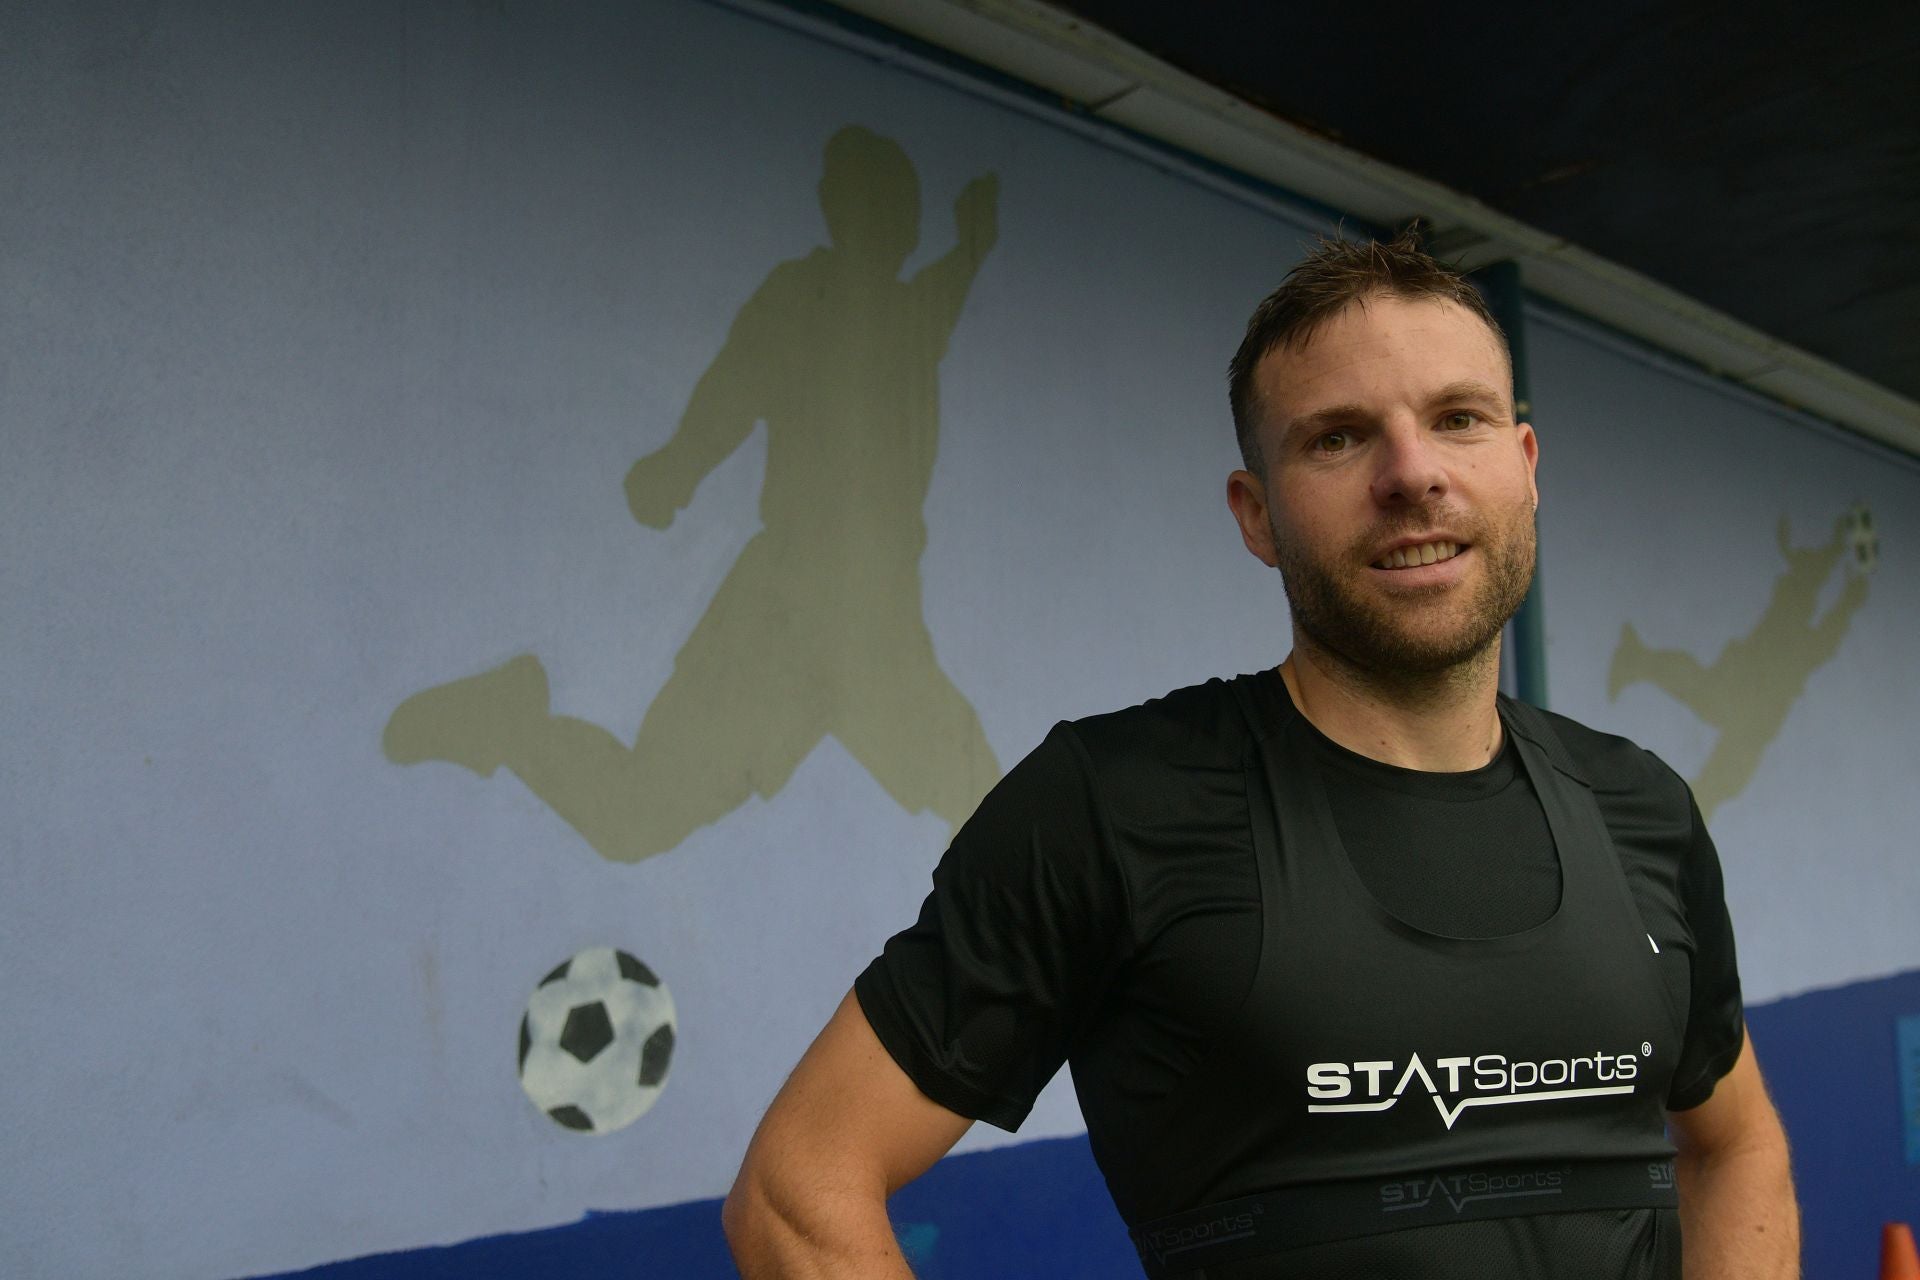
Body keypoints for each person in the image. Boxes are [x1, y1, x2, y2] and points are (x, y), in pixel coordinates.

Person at [723, 232, 1799, 1278]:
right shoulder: (1114, 804)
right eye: (1337, 437)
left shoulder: (1638, 805)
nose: (1411, 473)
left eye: (1457, 418)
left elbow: (1738, 1139)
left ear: (1523, 466)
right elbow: (798, 1185)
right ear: (1258, 515)